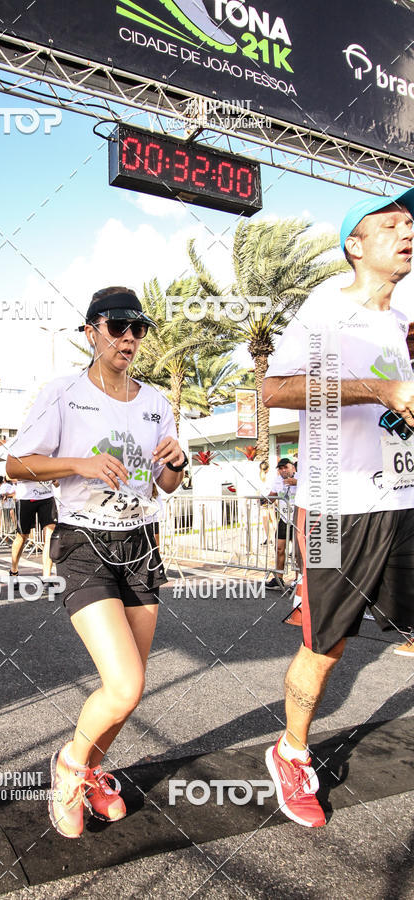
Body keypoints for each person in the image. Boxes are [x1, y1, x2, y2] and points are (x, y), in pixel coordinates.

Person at [6, 286, 186, 839]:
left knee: (125, 693)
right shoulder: (61, 393)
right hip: (85, 543)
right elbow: (16, 465)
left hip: (140, 543)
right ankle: (68, 771)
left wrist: (177, 463)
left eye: (139, 328)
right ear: (91, 331)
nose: (129, 337)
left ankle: (89, 770)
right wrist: (79, 464)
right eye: (117, 326)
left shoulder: (156, 402)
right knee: (126, 684)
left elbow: (165, 483)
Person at [262, 187, 414, 827]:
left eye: (411, 223)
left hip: (402, 500)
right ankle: (291, 752)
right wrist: (377, 388)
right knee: (327, 647)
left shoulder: (395, 321)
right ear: (356, 245)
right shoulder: (328, 308)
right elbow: (275, 390)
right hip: (336, 509)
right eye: (391, 224)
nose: (408, 230)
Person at [9, 478, 57, 585]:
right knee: (22, 537)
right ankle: (13, 571)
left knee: (50, 535)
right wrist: (34, 474)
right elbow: (9, 476)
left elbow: (57, 479)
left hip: (47, 496)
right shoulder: (19, 459)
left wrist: (54, 477)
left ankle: (47, 578)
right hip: (25, 497)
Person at [264, 458, 297, 591]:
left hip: (298, 519)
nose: (283, 470)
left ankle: (297, 580)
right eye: (281, 468)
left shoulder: (301, 478)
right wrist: (263, 500)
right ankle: (279, 579)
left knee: (296, 552)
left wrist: (296, 483)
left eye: (286, 467)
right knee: (279, 548)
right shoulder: (277, 480)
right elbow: (272, 496)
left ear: (293, 468)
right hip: (284, 519)